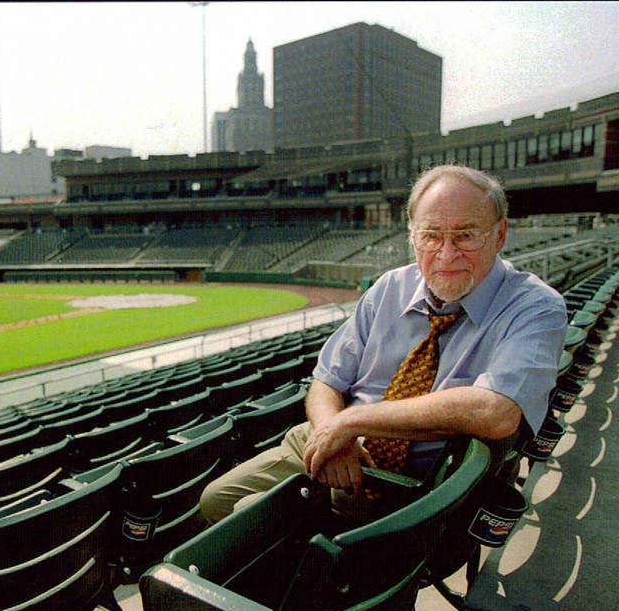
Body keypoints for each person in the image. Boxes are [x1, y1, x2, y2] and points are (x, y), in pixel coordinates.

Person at [200, 164, 568, 524]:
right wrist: (334, 431)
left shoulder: (535, 306)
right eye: (431, 235)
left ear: (500, 235)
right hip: (327, 439)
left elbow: (496, 411)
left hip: (395, 483)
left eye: (466, 235)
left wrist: (354, 421)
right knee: (216, 500)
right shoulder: (390, 287)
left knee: (245, 525)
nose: (446, 253)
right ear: (412, 237)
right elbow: (326, 381)